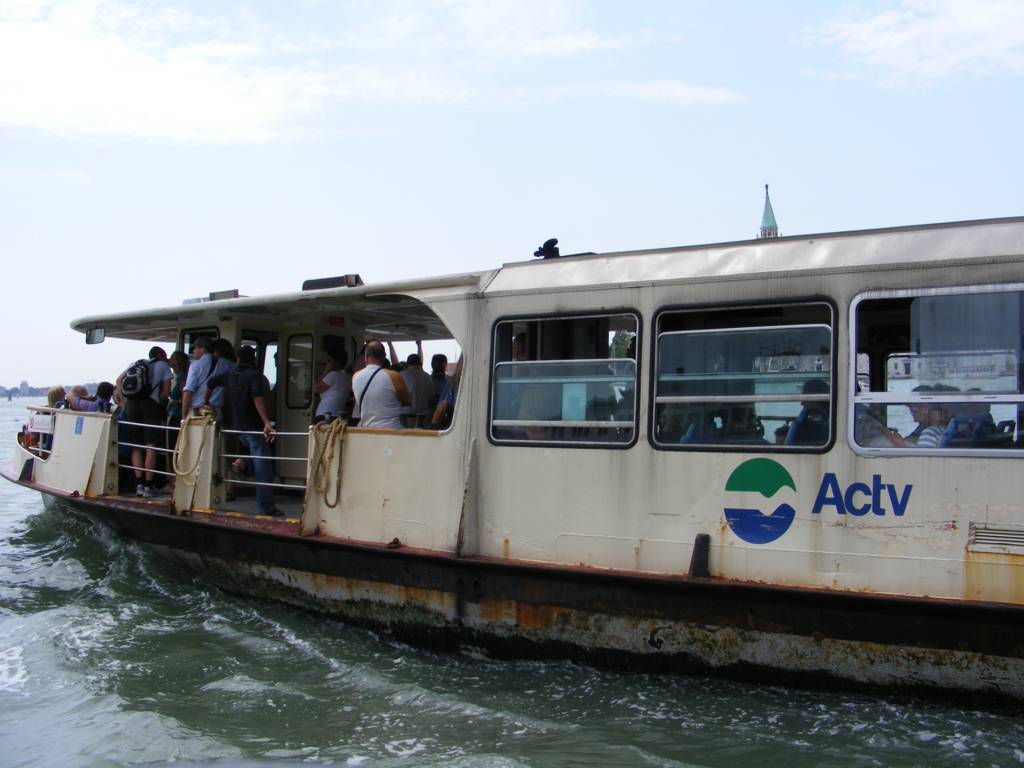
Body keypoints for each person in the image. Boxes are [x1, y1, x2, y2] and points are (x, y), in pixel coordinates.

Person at [206, 345, 280, 517]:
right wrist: (267, 422)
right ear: (253, 359)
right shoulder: (254, 376)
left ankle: (242, 464)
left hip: (236, 428)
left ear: (238, 359)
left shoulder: (230, 374)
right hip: (252, 428)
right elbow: (257, 399)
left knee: (260, 461)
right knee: (265, 470)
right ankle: (266, 507)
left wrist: (206, 402)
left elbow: (211, 383)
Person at [117, 346, 173, 498]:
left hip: (131, 405)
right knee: (151, 446)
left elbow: (118, 380)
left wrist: (123, 403)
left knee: (136, 446)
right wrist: (156, 401)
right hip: (150, 405)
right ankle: (148, 486)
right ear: (161, 355)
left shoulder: (135, 364)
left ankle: (139, 485)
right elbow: (167, 391)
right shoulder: (163, 366)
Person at [351, 340, 411, 429]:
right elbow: (407, 401)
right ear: (384, 357)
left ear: (366, 357)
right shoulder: (394, 376)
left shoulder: (355, 376)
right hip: (391, 429)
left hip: (366, 429)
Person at [181, 336, 223, 416]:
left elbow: (188, 392)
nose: (193, 351)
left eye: (195, 348)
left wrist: (183, 415)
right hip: (217, 411)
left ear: (202, 348)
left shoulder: (195, 365)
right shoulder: (226, 365)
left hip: (199, 411)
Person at [785, 379, 830, 445]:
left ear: (815, 399)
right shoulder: (807, 416)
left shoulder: (825, 422)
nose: (801, 403)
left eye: (805, 398)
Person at [313, 349, 352, 423]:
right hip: (339, 415)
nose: (326, 363)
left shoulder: (333, 375)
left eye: (329, 360)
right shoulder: (347, 376)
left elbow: (315, 388)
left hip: (326, 414)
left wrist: (326, 371)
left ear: (336, 362)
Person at [400, 345, 434, 428]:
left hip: (406, 414)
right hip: (423, 416)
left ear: (407, 364)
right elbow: (431, 396)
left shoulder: (401, 375)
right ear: (421, 364)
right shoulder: (428, 377)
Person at [166, 351, 189, 429]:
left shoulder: (181, 377)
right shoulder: (177, 376)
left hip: (178, 415)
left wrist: (173, 401)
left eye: (172, 358)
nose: (169, 360)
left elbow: (185, 396)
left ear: (177, 361)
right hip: (174, 414)